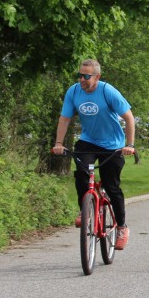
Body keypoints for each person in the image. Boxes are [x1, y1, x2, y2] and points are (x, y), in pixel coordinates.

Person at [53, 58, 137, 249]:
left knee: (112, 186)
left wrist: (129, 145)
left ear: (97, 77)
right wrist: (58, 143)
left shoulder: (108, 91)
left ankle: (122, 227)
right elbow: (65, 118)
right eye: (80, 75)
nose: (82, 79)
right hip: (88, 141)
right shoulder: (74, 91)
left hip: (113, 145)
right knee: (82, 174)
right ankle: (85, 211)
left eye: (86, 76)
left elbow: (129, 118)